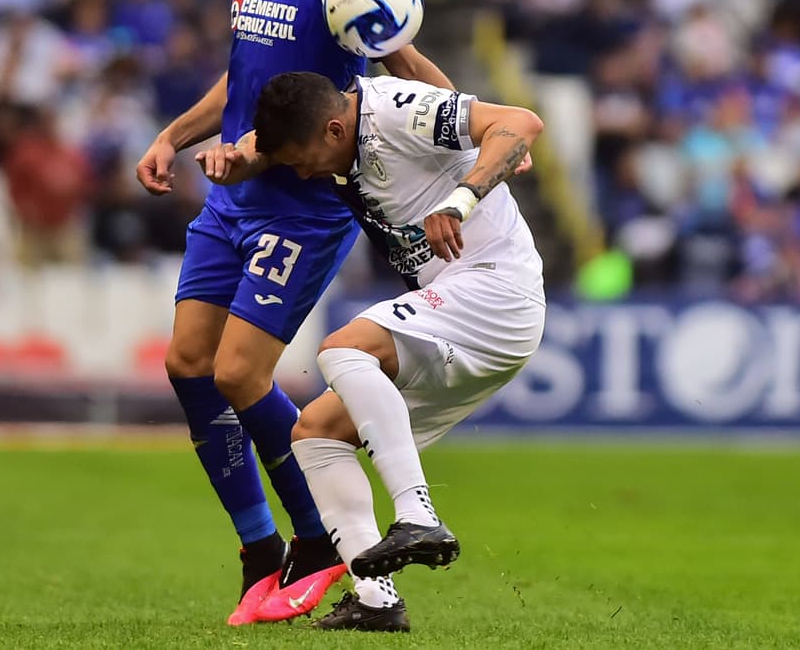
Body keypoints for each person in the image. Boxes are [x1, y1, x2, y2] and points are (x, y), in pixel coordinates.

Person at [135, 0, 463, 626]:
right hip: (230, 196)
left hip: (304, 203)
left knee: (240, 374)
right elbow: (244, 74)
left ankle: (315, 533)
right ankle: (257, 542)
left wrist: (465, 118)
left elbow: (398, 52)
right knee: (186, 361)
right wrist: (175, 135)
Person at [196, 71, 547, 631]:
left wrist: (461, 199)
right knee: (314, 434)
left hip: (494, 292)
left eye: (302, 158)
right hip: (461, 318)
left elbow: (520, 123)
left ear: (334, 129)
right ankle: (375, 600)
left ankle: (416, 514)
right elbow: (440, 99)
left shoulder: (392, 111)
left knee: (343, 349)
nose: (302, 171)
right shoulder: (341, 132)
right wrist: (235, 155)